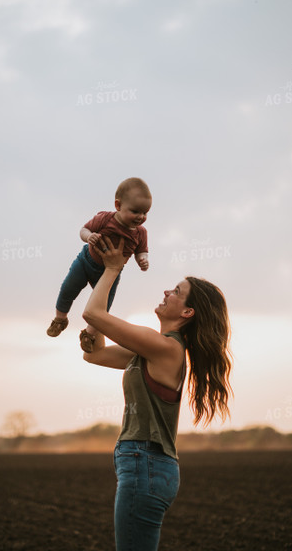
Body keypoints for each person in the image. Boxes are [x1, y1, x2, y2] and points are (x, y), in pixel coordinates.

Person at [81, 236, 233, 551]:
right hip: (146, 465)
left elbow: (93, 313)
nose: (167, 291)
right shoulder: (152, 351)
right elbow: (94, 355)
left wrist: (112, 269)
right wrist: (92, 336)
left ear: (188, 312)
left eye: (177, 292)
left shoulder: (164, 347)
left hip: (144, 464)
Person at [47, 177, 152, 351]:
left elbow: (142, 250)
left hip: (110, 273)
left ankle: (89, 334)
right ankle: (60, 319)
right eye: (135, 211)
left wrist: (143, 259)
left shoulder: (140, 233)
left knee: (103, 307)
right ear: (118, 206)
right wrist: (89, 236)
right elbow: (83, 230)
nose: (140, 217)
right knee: (67, 288)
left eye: (145, 213)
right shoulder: (104, 219)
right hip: (86, 261)